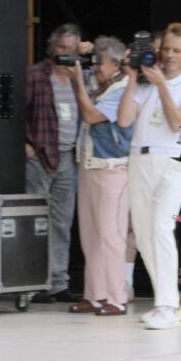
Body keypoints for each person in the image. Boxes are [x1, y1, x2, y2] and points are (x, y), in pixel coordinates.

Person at [117, 22, 181, 329]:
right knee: (143, 237)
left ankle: (168, 305)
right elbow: (123, 119)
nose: (169, 55)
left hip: (172, 161)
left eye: (176, 51)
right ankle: (165, 299)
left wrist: (161, 87)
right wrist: (131, 79)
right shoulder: (145, 84)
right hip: (138, 159)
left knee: (160, 227)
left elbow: (178, 124)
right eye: (166, 48)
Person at [65, 36, 132, 315]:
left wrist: (78, 81)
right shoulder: (98, 82)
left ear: (116, 64)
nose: (95, 68)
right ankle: (94, 295)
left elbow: (91, 115)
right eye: (94, 63)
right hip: (89, 164)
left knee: (111, 235)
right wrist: (84, 53)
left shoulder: (123, 87)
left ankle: (117, 297)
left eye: (100, 63)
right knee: (90, 236)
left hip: (112, 167)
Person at [26, 23, 89, 303]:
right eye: (62, 48)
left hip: (68, 157)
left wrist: (90, 51)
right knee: (37, 221)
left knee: (62, 222)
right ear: (52, 48)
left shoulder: (81, 77)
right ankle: (35, 282)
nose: (66, 54)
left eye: (72, 49)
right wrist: (23, 145)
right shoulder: (35, 75)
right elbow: (11, 112)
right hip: (38, 155)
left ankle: (58, 281)